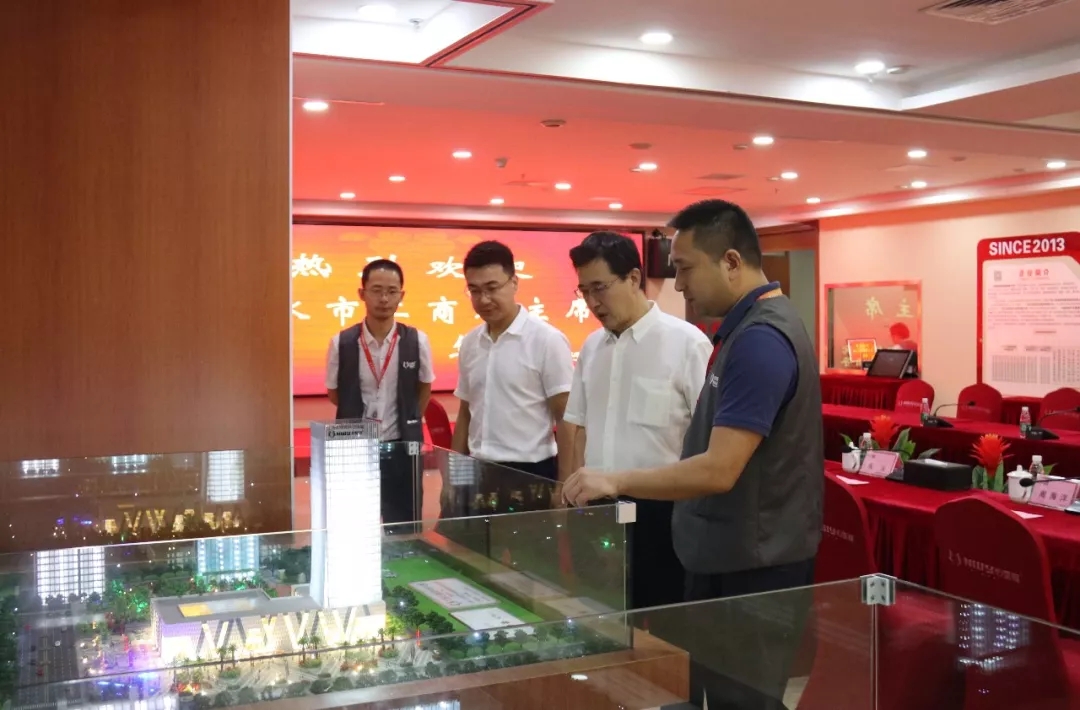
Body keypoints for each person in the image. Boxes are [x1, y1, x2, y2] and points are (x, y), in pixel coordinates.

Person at [562, 199, 823, 710]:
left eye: (684, 268)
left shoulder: (761, 341)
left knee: (738, 698)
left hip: (752, 564)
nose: (678, 285)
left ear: (731, 261)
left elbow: (720, 468)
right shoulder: (743, 332)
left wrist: (616, 480)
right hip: (726, 552)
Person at [562, 231, 711, 608]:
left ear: (633, 278)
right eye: (584, 291)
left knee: (664, 622)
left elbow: (709, 440)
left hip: (664, 514)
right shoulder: (592, 347)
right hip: (598, 509)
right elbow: (578, 426)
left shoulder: (687, 344)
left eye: (600, 288)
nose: (592, 302)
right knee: (601, 615)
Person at [452, 240, 574, 485]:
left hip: (532, 472)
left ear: (514, 283)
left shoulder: (547, 340)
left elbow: (565, 418)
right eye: (474, 290)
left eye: (492, 288)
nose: (484, 299)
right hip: (478, 470)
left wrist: (564, 485)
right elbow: (466, 412)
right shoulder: (470, 342)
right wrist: (455, 478)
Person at [325, 259, 434, 524]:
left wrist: (409, 419)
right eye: (376, 290)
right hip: (356, 448)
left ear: (401, 296)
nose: (384, 299)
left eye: (392, 291)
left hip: (403, 446)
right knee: (354, 522)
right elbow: (335, 394)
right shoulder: (341, 342)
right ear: (361, 293)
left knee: (405, 522)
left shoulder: (417, 340)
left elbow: (424, 387)